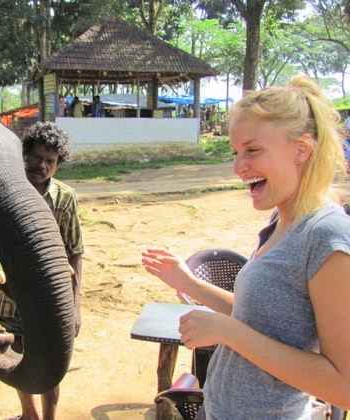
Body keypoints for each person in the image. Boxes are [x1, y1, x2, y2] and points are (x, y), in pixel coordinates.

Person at [141, 75, 350, 419]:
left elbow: (342, 386)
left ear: (302, 149)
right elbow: (261, 318)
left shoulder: (327, 236)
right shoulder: (280, 223)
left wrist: (229, 333)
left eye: (253, 150)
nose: (239, 167)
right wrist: (188, 283)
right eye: (236, 152)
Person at [0, 121, 84, 420]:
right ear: (24, 155)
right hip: (11, 297)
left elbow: (75, 251)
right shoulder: (3, 192)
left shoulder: (65, 199)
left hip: (52, 301)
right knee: (18, 357)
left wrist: (75, 304)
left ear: (58, 165)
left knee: (51, 363)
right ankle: (28, 413)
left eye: (50, 161)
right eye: (36, 157)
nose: (41, 166)